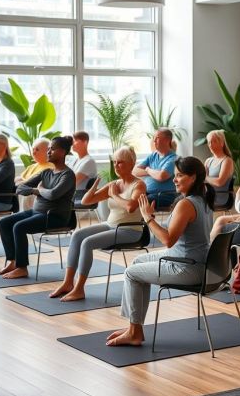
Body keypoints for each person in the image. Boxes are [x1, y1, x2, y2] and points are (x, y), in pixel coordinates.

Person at [105, 156, 214, 346]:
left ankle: (135, 332)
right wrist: (151, 218)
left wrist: (147, 218)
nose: (174, 179)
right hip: (196, 261)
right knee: (138, 261)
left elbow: (167, 240)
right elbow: (172, 232)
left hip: (187, 267)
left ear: (193, 178)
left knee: (131, 274)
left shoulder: (186, 204)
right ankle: (133, 325)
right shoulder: (202, 199)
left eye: (180, 175)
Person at [50, 146, 147, 301]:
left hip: (130, 230)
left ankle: (79, 289)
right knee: (77, 235)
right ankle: (68, 283)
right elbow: (86, 201)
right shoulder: (114, 184)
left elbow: (130, 207)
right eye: (114, 162)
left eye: (120, 162)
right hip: (110, 225)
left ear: (131, 164)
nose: (115, 166)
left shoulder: (139, 185)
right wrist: (94, 188)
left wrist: (114, 195)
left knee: (87, 243)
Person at [0, 136, 76, 279]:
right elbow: (21, 187)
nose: (49, 152)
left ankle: (22, 268)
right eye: (49, 149)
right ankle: (13, 261)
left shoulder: (68, 175)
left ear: (63, 152)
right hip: (36, 212)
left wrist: (37, 190)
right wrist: (37, 189)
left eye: (52, 149)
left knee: (19, 227)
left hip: (55, 217)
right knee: (4, 223)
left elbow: (53, 194)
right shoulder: (46, 172)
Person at [132, 128, 177, 208]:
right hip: (148, 193)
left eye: (157, 138)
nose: (154, 141)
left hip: (165, 195)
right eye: (154, 138)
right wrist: (152, 172)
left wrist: (148, 169)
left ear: (167, 140)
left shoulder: (173, 158)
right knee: (131, 197)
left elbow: (161, 176)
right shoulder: (153, 155)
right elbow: (135, 171)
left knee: (138, 202)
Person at [14, 138, 54, 210]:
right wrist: (23, 182)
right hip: (24, 192)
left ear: (47, 151)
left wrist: (23, 182)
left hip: (37, 197)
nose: (33, 152)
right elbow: (17, 179)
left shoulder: (50, 166)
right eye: (33, 149)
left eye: (37, 150)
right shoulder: (31, 166)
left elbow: (38, 183)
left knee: (26, 193)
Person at [204, 130, 234, 207]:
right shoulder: (208, 161)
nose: (210, 145)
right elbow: (202, 180)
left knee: (189, 202)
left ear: (221, 143)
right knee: (184, 199)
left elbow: (220, 182)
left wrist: (205, 178)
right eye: (209, 142)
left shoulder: (227, 161)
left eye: (213, 141)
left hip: (220, 197)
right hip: (207, 195)